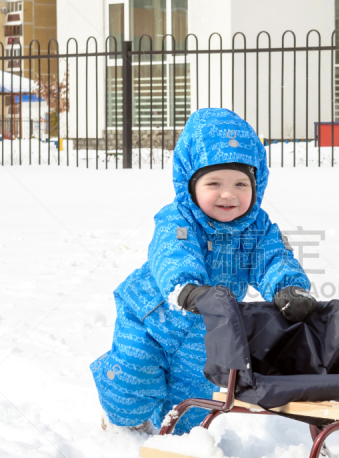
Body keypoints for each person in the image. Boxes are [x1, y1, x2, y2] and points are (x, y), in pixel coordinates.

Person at [90, 108, 316, 435]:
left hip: (209, 328)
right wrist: (185, 286)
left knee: (194, 398)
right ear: (191, 184)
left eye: (241, 183)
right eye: (214, 183)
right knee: (134, 376)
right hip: (151, 315)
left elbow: (272, 257)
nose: (229, 194)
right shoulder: (179, 219)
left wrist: (287, 288)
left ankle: (179, 440)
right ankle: (123, 421)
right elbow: (172, 251)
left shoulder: (257, 227)